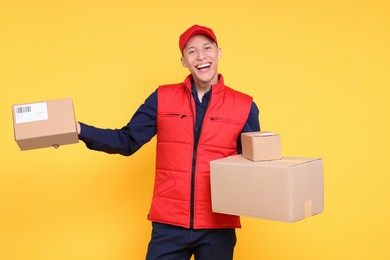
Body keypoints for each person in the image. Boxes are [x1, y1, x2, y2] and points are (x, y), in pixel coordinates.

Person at [76, 24, 260, 260]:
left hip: (218, 226)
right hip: (169, 225)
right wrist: (80, 130)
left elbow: (253, 166)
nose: (201, 56)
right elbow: (127, 141)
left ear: (219, 53)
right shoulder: (162, 98)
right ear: (183, 60)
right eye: (192, 51)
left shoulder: (244, 105)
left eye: (207, 48)